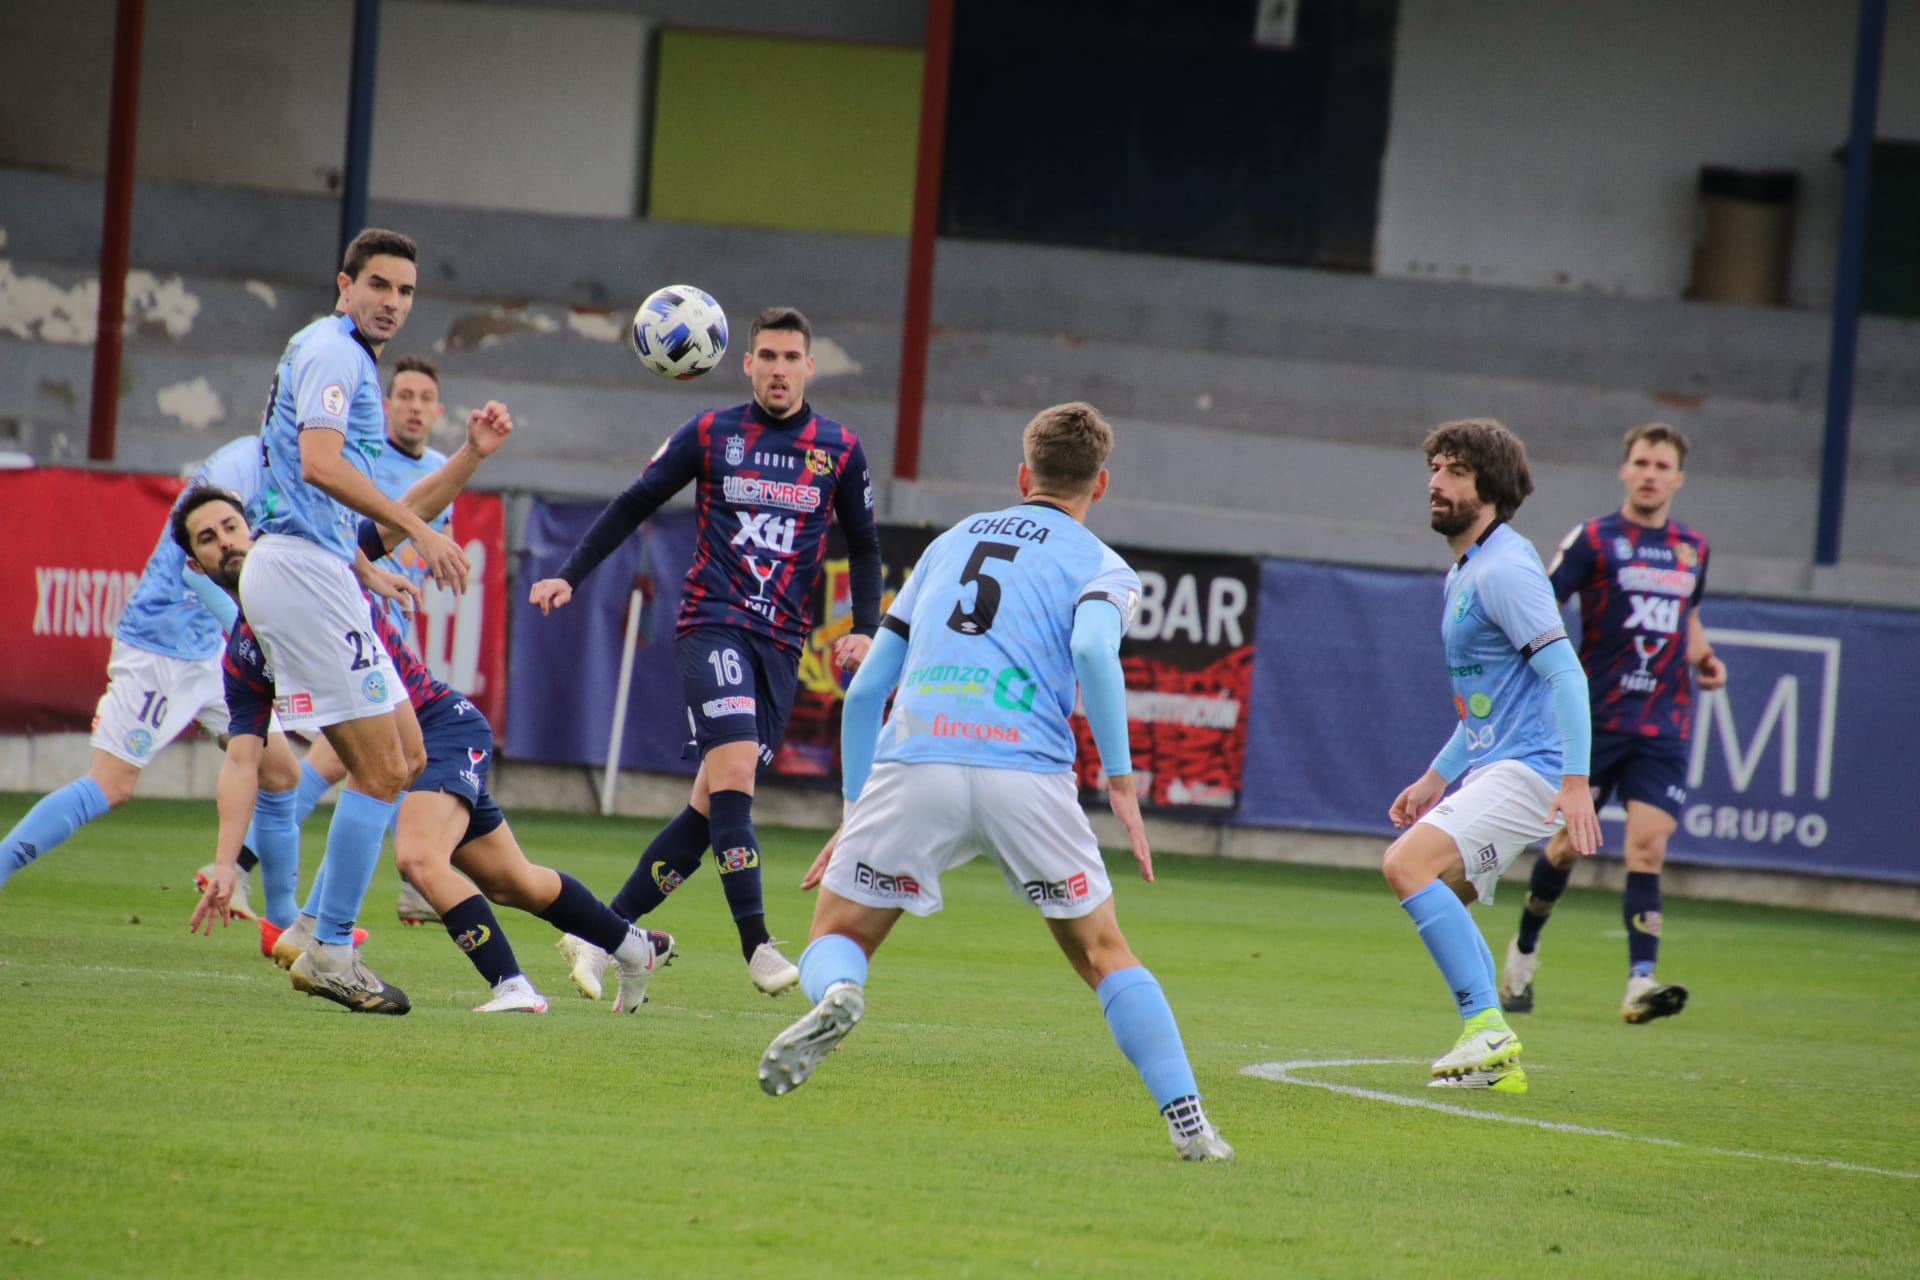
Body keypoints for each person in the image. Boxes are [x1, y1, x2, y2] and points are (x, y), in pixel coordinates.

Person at [756, 402, 1233, 1163]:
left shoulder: (949, 544)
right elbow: (1093, 653)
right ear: (1100, 484)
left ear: (1022, 476)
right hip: (1027, 776)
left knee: (840, 934)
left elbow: (869, 685)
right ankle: (1190, 1124)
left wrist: (854, 810)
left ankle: (841, 994)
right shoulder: (1102, 565)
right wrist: (1120, 784)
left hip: (918, 763)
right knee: (1104, 953)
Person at [181, 481, 670, 1016]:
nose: (225, 541)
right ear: (197, 566)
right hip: (402, 750)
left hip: (441, 727)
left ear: (253, 531)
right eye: (207, 538)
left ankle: (512, 986)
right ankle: (635, 948)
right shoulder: (245, 656)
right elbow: (242, 761)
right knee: (516, 882)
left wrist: (472, 454)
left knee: (416, 856)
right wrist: (226, 864)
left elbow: (402, 513)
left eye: (231, 526)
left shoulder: (317, 557)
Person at [528, 306, 882, 997]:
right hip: (713, 625)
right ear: (745, 363)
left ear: (809, 367)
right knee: (735, 780)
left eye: (791, 358)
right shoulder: (711, 432)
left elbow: (865, 545)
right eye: (767, 356)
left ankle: (601, 933)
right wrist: (570, 575)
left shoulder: (839, 449)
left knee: (706, 813)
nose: (778, 369)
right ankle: (757, 946)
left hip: (780, 646)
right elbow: (635, 502)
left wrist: (864, 627)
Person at [228, 225, 469, 1013]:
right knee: (380, 767)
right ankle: (330, 947)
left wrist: (365, 568)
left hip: (319, 567)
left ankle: (311, 929)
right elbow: (319, 463)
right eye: (378, 285)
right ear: (345, 285)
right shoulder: (335, 353)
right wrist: (418, 528)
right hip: (299, 573)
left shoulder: (333, 351)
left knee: (406, 754)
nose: (392, 302)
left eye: (405, 291)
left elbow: (304, 486)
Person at [1381, 418, 1600, 1094]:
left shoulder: (1505, 569)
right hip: (1501, 762)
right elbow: (1488, 705)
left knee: (1406, 865)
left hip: (1531, 767)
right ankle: (1498, 1062)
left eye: (1455, 472)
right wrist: (1436, 777)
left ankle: (1486, 1026)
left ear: (1492, 488)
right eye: (1435, 468)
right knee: (1444, 890)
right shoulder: (1469, 568)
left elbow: (1566, 674)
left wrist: (1575, 782)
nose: (1436, 482)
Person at [0, 434, 303, 919]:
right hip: (160, 648)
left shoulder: (298, 463)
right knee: (111, 783)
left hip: (211, 646)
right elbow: (195, 573)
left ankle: (285, 926)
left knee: (282, 772)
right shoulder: (237, 467)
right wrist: (253, 633)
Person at [1499, 423, 1725, 1024]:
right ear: (1625, 470)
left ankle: (1639, 983)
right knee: (1568, 845)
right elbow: (1541, 605)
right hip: (1595, 720)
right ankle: (1524, 948)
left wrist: (1703, 657)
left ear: (1678, 478)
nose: (1651, 474)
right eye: (1642, 463)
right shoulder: (1594, 540)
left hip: (1664, 723)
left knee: (1647, 849)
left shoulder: (1693, 549)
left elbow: (1686, 617)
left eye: (1662, 466)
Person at [293, 352, 452, 927]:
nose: (414, 407)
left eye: (424, 398)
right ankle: (262, 874)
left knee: (384, 762)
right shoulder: (357, 459)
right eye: (404, 396)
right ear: (385, 405)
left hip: (390, 635)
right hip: (346, 621)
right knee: (390, 759)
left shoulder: (440, 472)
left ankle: (295, 897)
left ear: (438, 411)